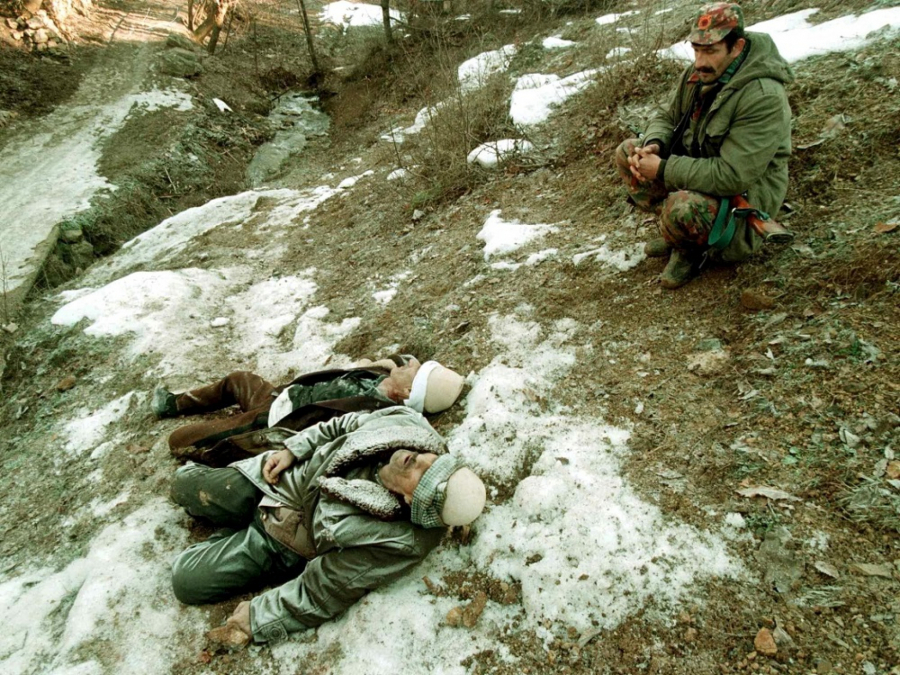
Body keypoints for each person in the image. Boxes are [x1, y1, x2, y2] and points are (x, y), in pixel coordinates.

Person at [170, 405, 486, 648]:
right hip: (279, 477)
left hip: (282, 539)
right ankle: (230, 513)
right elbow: (342, 424)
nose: (419, 457)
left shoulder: (398, 541)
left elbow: (325, 589)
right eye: (433, 459)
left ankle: (232, 531)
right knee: (182, 485)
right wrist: (293, 450)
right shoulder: (409, 425)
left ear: (410, 500)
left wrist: (257, 619)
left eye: (424, 474)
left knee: (186, 580)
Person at [615, 2, 793, 288]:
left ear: (737, 47)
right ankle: (677, 232)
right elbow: (666, 116)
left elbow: (733, 176)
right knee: (628, 152)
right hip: (699, 176)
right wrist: (654, 144)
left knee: (682, 206)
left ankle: (691, 249)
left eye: (710, 51)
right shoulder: (701, 73)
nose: (700, 61)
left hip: (740, 206)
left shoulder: (763, 96)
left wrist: (663, 169)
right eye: (697, 50)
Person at [152, 355, 466, 466]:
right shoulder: (384, 378)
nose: (411, 363)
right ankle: (173, 403)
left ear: (406, 393)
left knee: (180, 439)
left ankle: (211, 453)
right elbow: (400, 359)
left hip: (272, 420)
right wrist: (383, 364)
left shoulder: (371, 411)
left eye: (415, 371)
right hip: (281, 395)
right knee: (238, 379)